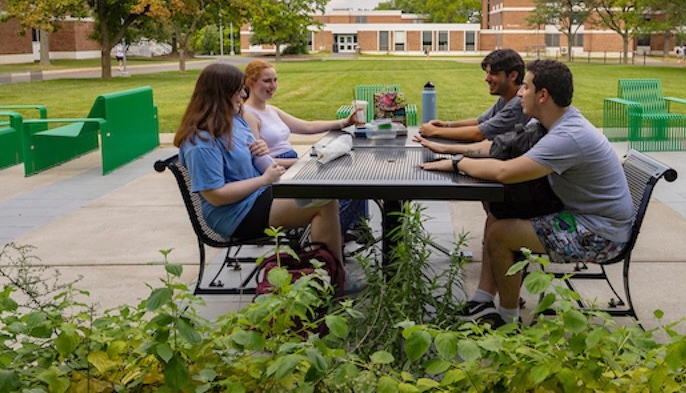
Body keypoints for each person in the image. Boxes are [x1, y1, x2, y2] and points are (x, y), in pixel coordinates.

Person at [421, 59, 634, 327]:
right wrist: (447, 149)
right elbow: (499, 148)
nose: (520, 93)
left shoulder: (567, 136)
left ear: (542, 95)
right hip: (589, 218)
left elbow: (505, 172)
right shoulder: (552, 123)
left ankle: (508, 322)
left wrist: (456, 164)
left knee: (502, 234)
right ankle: (483, 300)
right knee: (498, 214)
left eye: (526, 87)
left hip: (602, 234)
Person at [174, 62, 344, 267]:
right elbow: (216, 195)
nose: (243, 96)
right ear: (222, 94)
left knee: (323, 187)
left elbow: (261, 161)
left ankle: (322, 269)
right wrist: (263, 179)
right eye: (239, 91)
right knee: (323, 202)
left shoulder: (235, 121)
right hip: (235, 214)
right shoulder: (200, 142)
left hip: (258, 195)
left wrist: (266, 159)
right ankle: (332, 277)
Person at [242, 59, 368, 237]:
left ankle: (349, 227)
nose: (273, 86)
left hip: (295, 165)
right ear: (250, 83)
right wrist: (301, 162)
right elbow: (259, 161)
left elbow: (307, 126)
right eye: (267, 81)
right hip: (281, 173)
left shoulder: (271, 110)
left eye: (275, 80)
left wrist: (344, 122)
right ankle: (332, 234)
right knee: (352, 183)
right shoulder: (248, 115)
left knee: (356, 176)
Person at [417, 48, 527, 142]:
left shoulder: (519, 102)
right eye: (487, 73)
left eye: (493, 74)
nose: (487, 79)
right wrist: (446, 125)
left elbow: (478, 134)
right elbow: (480, 121)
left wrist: (435, 132)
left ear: (513, 76)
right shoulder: (506, 97)